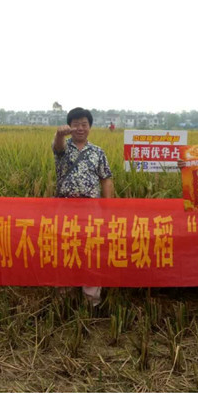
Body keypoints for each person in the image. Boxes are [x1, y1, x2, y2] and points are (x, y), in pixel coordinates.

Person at [52, 107, 114, 307]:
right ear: (69, 126)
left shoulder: (97, 152)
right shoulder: (63, 148)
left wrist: (107, 207)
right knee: (66, 250)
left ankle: (91, 300)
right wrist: (59, 134)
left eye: (84, 124)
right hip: (66, 207)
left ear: (90, 127)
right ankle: (64, 298)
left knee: (92, 252)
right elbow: (57, 145)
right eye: (76, 124)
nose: (80, 128)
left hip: (91, 209)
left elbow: (106, 179)